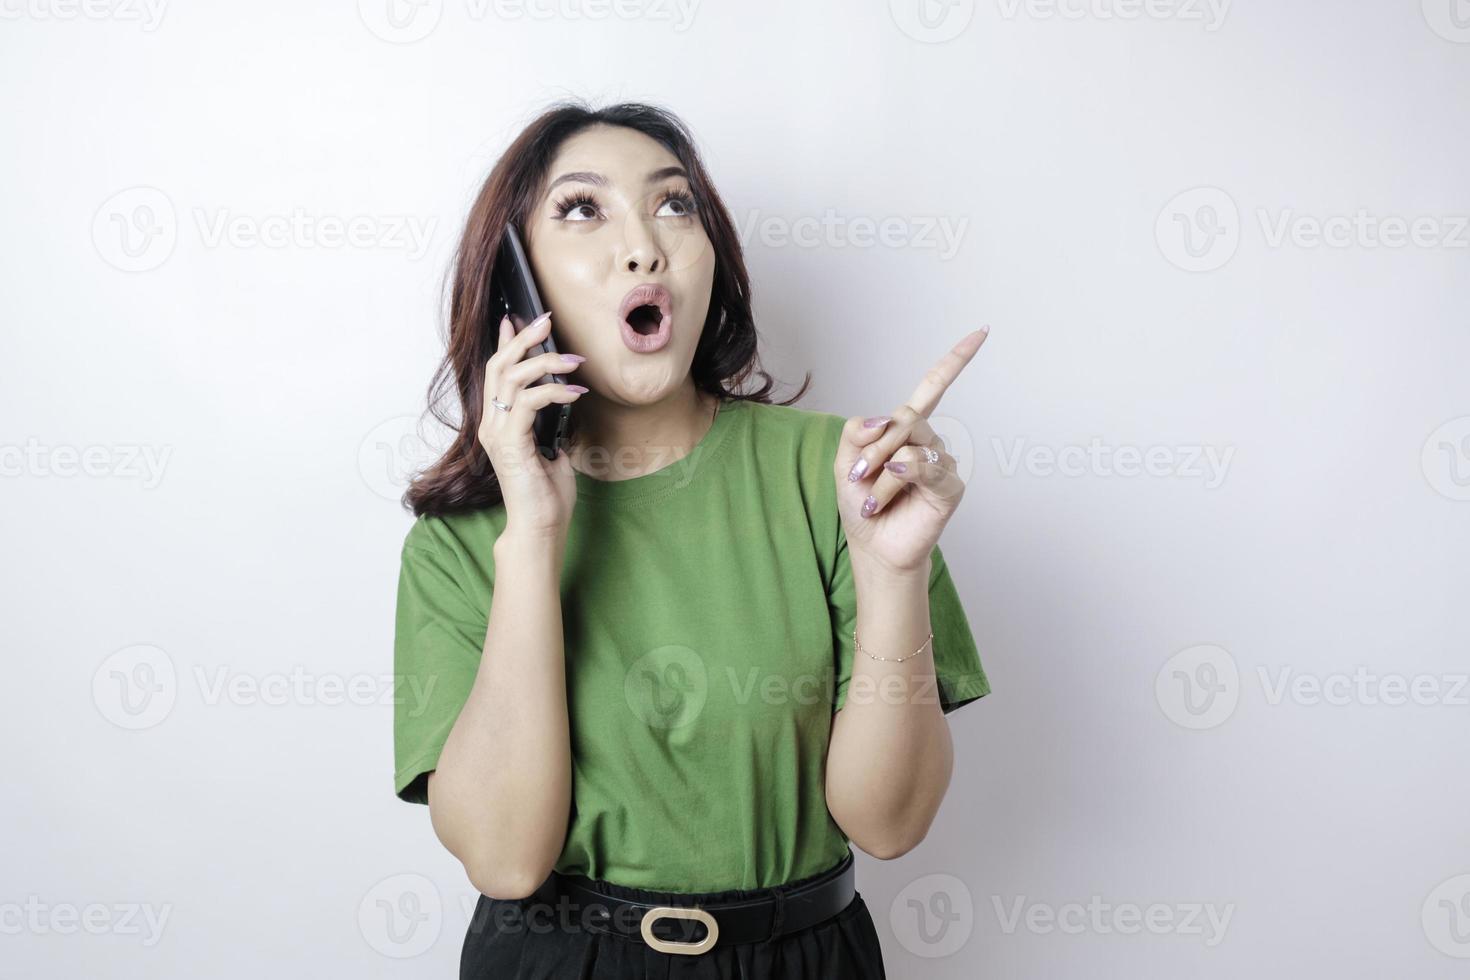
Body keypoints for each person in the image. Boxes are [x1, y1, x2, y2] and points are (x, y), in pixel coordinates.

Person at [392, 100, 992, 979]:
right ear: (517, 284)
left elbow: (889, 824)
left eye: (675, 205)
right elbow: (504, 859)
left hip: (805, 959)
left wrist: (892, 572)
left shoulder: (842, 479)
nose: (645, 246)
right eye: (582, 209)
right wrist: (534, 532)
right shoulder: (459, 542)